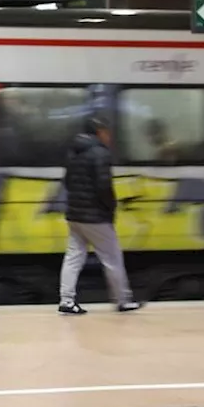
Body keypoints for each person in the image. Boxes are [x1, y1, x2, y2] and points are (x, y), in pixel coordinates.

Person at [58, 117, 143, 315]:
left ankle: (66, 300)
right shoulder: (100, 153)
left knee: (73, 257)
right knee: (112, 257)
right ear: (99, 132)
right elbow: (104, 186)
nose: (109, 135)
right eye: (106, 131)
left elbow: (68, 182)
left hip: (75, 214)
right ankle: (122, 300)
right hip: (96, 216)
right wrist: (110, 208)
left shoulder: (73, 151)